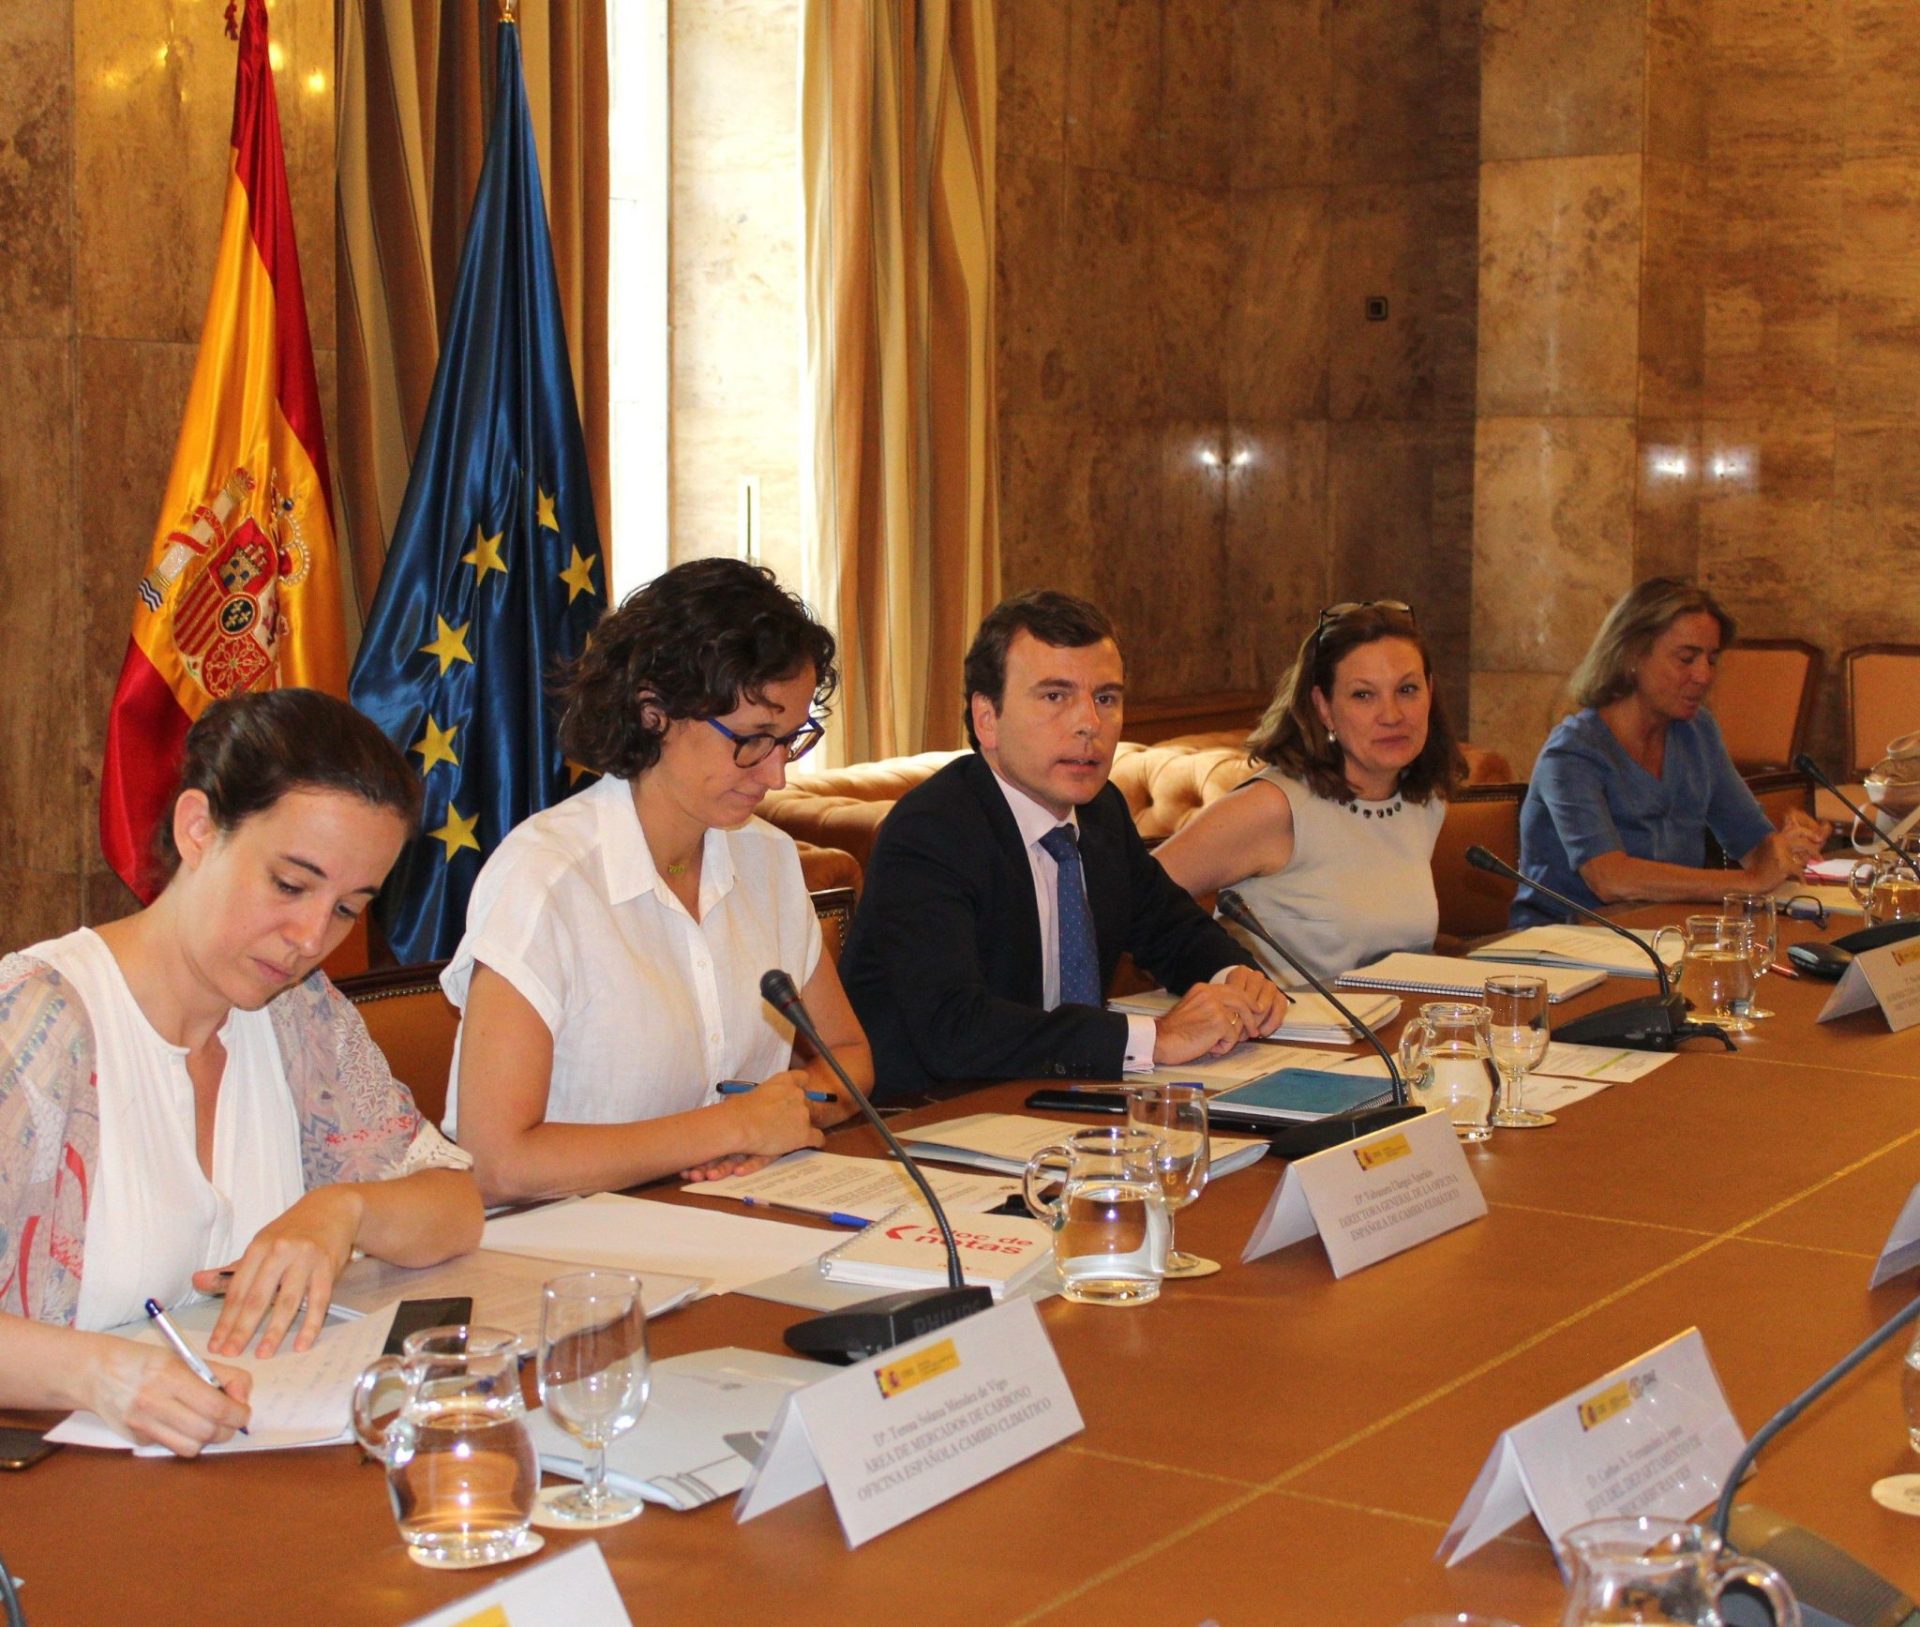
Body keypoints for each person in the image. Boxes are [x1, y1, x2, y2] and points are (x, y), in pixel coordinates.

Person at [0, 690, 482, 1457]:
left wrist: (343, 1209)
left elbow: (456, 1206)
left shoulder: (297, 1013)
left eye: (347, 908)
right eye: (290, 884)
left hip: (241, 1470)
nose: (310, 937)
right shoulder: (36, 1022)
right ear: (198, 828)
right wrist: (99, 1374)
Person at [444, 559, 864, 1205]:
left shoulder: (769, 859)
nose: (776, 775)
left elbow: (848, 1055)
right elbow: (497, 1163)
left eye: (790, 739)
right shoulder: (546, 877)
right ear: (653, 712)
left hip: (728, 1216)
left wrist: (781, 1120)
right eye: (752, 740)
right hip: (559, 1241)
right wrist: (729, 1127)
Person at [839, 590, 1288, 1101]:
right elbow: (955, 1028)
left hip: (1062, 1099)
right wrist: (1156, 1038)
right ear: (987, 719)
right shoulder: (931, 832)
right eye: (1055, 697)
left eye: (1106, 699)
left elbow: (1172, 929)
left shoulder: (1100, 812)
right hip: (935, 1113)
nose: (1089, 724)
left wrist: (1234, 977)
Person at [1155, 600, 1463, 985]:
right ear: (1324, 707)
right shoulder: (1275, 806)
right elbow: (1131, 898)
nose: (1392, 715)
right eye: (1363, 695)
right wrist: (1219, 978)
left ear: (1430, 694)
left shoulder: (1425, 802)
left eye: (1407, 689)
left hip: (1392, 1018)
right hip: (1278, 1023)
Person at [1512, 577, 1830, 926]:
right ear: (1632, 654)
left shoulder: (1697, 732)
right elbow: (1610, 878)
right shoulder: (1573, 752)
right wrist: (1750, 882)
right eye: (1686, 658)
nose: (1703, 675)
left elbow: (1752, 843)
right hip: (1563, 942)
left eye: (1711, 659)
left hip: (1663, 931)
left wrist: (1784, 848)